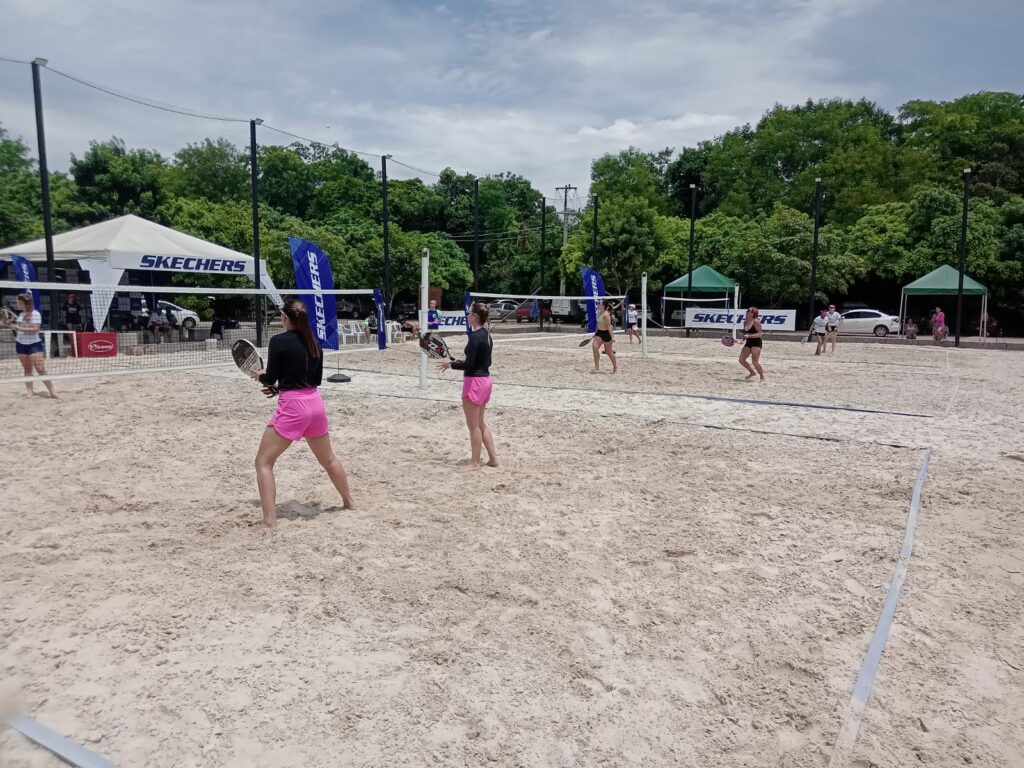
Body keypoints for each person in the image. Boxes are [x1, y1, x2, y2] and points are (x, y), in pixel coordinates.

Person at [251, 298, 354, 527]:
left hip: (293, 408)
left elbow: (270, 377)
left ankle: (269, 521)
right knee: (329, 459)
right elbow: (312, 380)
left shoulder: (278, 341)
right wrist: (279, 389)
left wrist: (261, 377)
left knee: (263, 463)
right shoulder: (314, 341)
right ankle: (349, 502)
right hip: (315, 404)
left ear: (285, 318)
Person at [438, 302, 498, 470]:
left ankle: (475, 463)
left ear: (475, 317)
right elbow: (486, 362)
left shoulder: (474, 337)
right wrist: (457, 361)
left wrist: (450, 365)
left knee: (473, 426)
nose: (467, 316)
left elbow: (471, 366)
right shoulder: (487, 335)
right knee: (480, 422)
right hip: (486, 380)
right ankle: (493, 459)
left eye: (469, 313)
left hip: (475, 382)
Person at [7, 293, 57, 398]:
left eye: (19, 301)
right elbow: (19, 330)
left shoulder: (35, 314)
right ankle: (30, 392)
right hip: (21, 344)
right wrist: (11, 326)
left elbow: (35, 330)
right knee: (27, 369)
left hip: (34, 345)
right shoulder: (20, 315)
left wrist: (18, 328)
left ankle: (52, 392)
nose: (17, 303)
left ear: (24, 303)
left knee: (40, 369)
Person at [591, 299, 618, 373]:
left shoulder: (606, 315)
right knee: (595, 348)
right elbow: (598, 324)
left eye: (599, 303)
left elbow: (609, 327)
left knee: (609, 352)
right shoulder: (598, 313)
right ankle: (596, 367)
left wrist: (612, 338)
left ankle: (615, 366)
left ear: (603, 305)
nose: (598, 305)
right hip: (599, 333)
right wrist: (596, 332)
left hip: (606, 333)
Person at [739, 306, 765, 381]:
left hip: (756, 343)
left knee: (754, 361)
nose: (746, 312)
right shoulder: (745, 322)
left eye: (748, 311)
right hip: (748, 342)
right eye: (747, 310)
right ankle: (752, 372)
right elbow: (745, 334)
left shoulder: (756, 321)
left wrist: (749, 335)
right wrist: (742, 340)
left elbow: (760, 334)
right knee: (741, 360)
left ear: (752, 313)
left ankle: (762, 377)